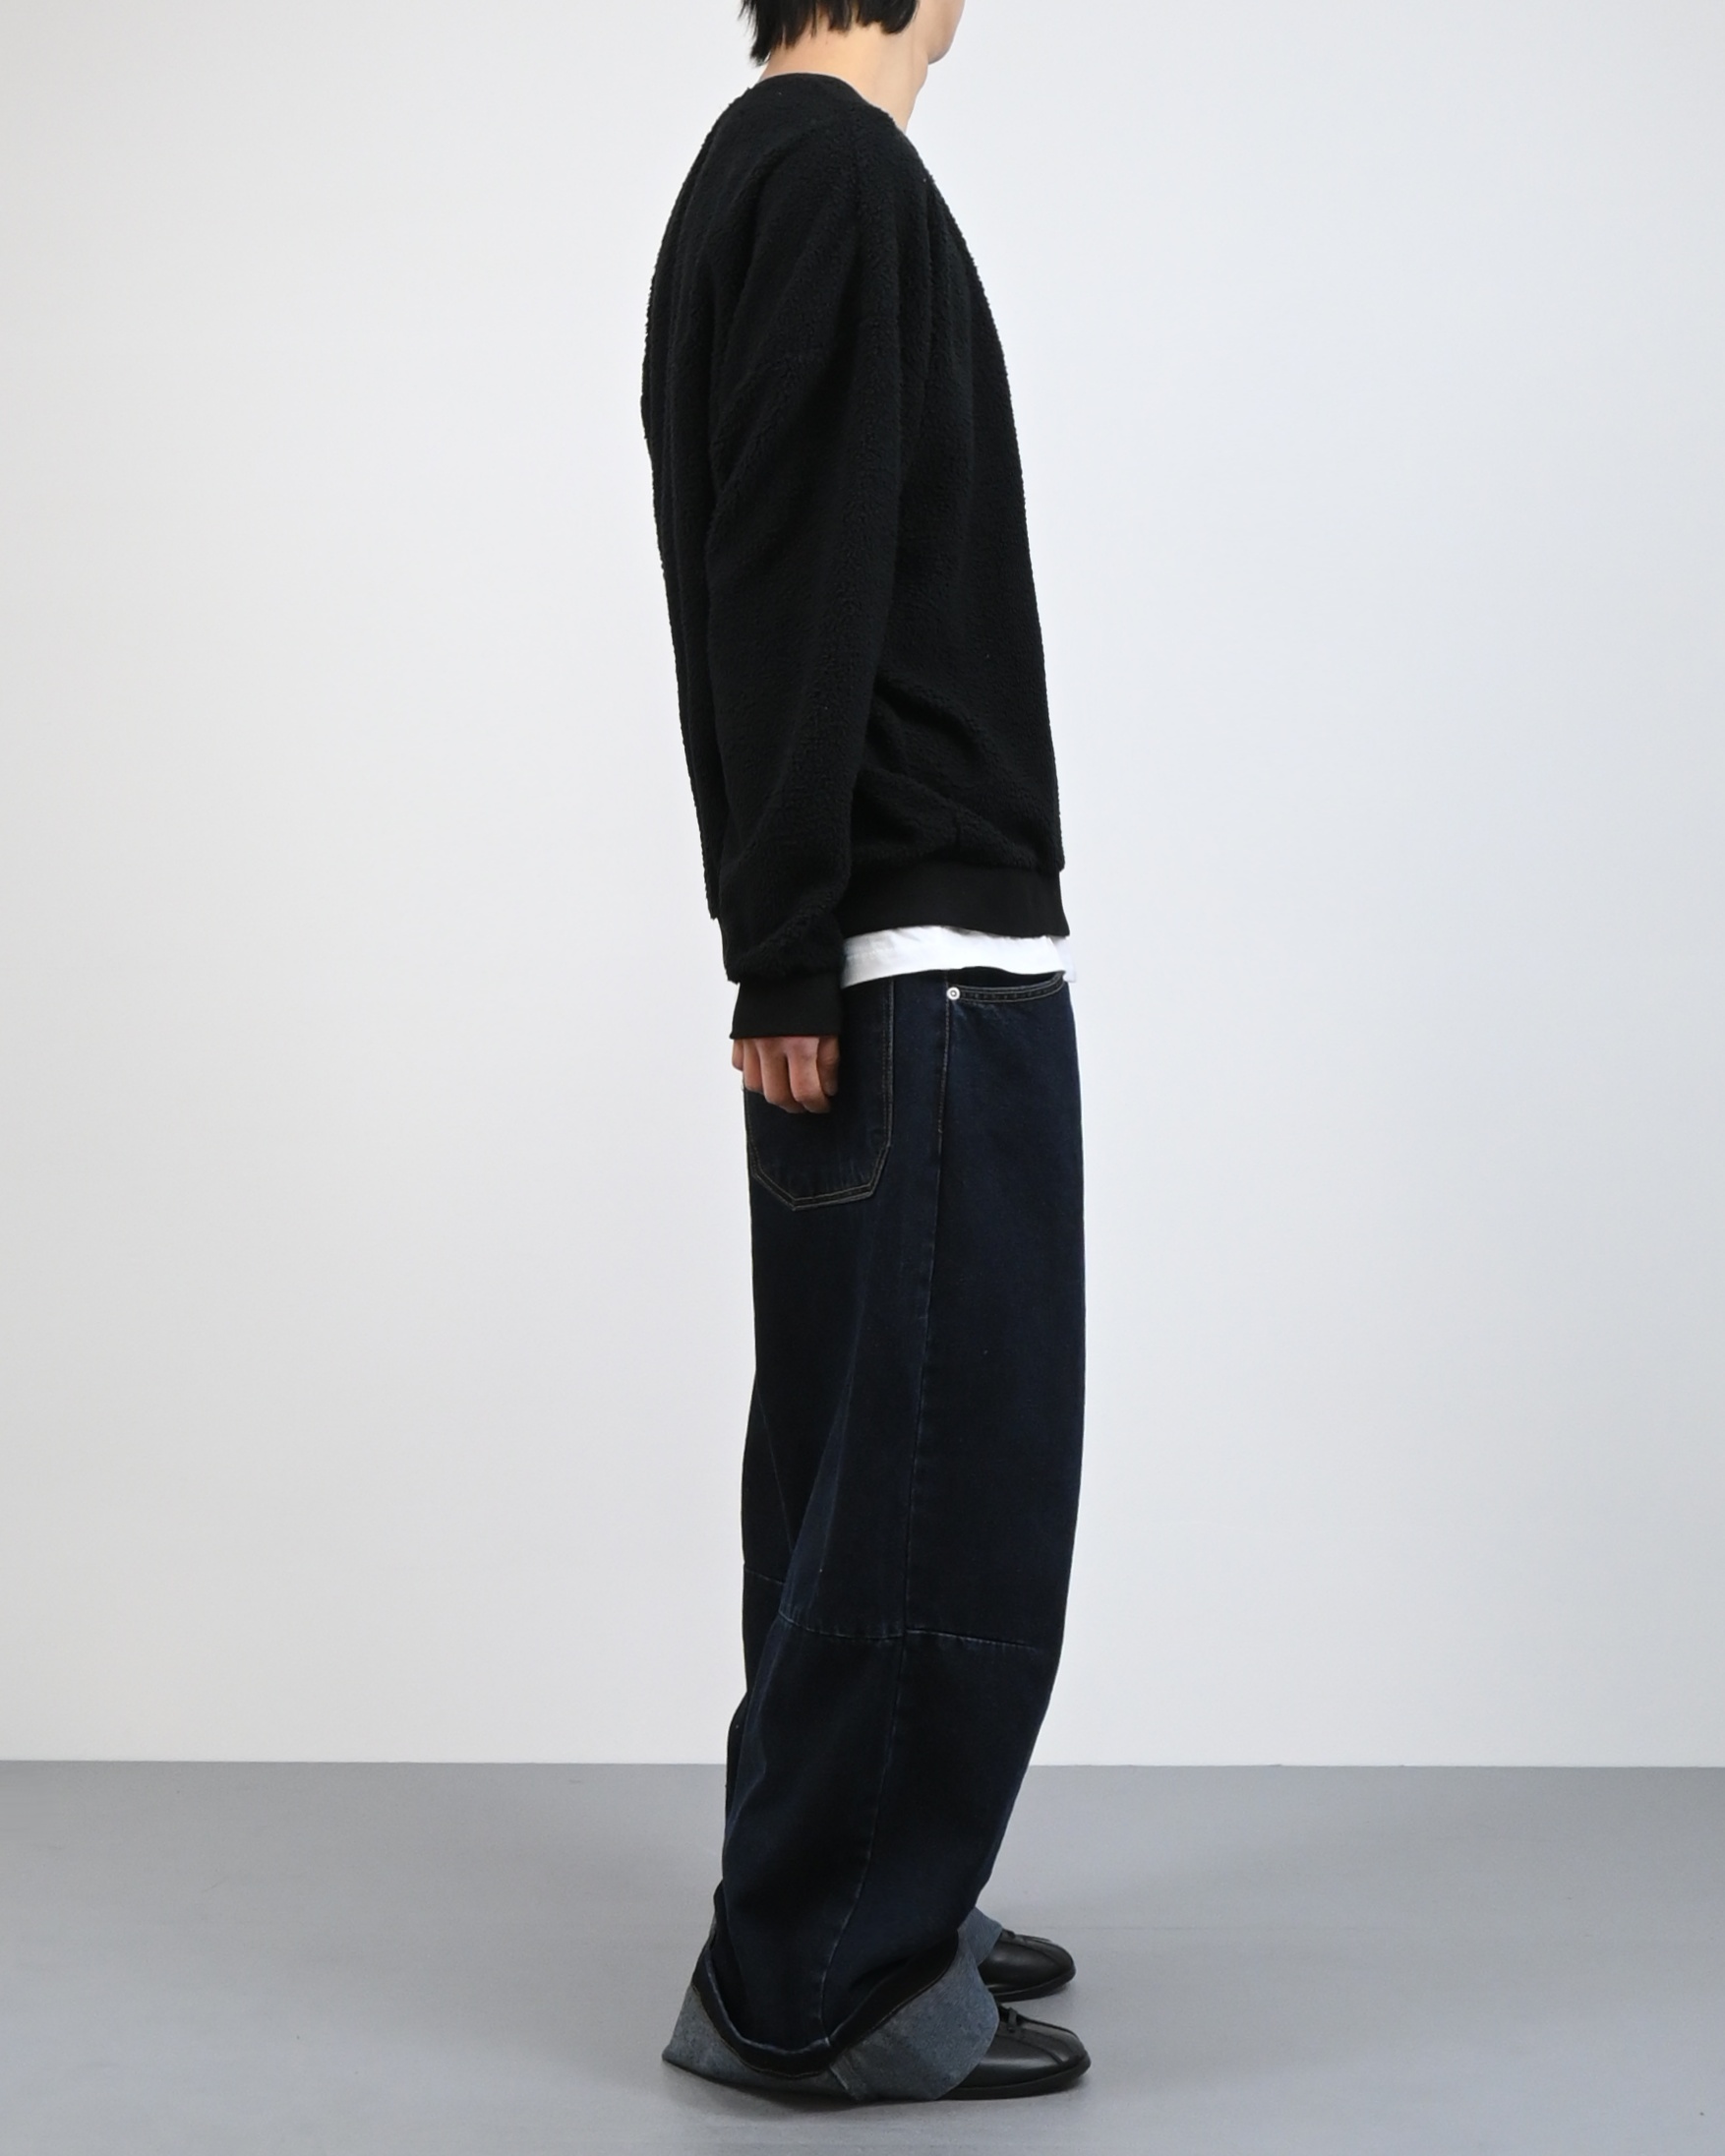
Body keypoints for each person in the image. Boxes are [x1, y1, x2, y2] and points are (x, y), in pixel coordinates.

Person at [641, 0, 1088, 2103]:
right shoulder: (828, 173)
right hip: (905, 947)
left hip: (872, 937)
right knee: (932, 1477)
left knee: (856, 1469)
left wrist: (784, 939)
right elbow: (785, 566)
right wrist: (789, 953)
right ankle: (815, 1973)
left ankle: (859, 1878)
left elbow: (768, 555)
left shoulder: (767, 173)